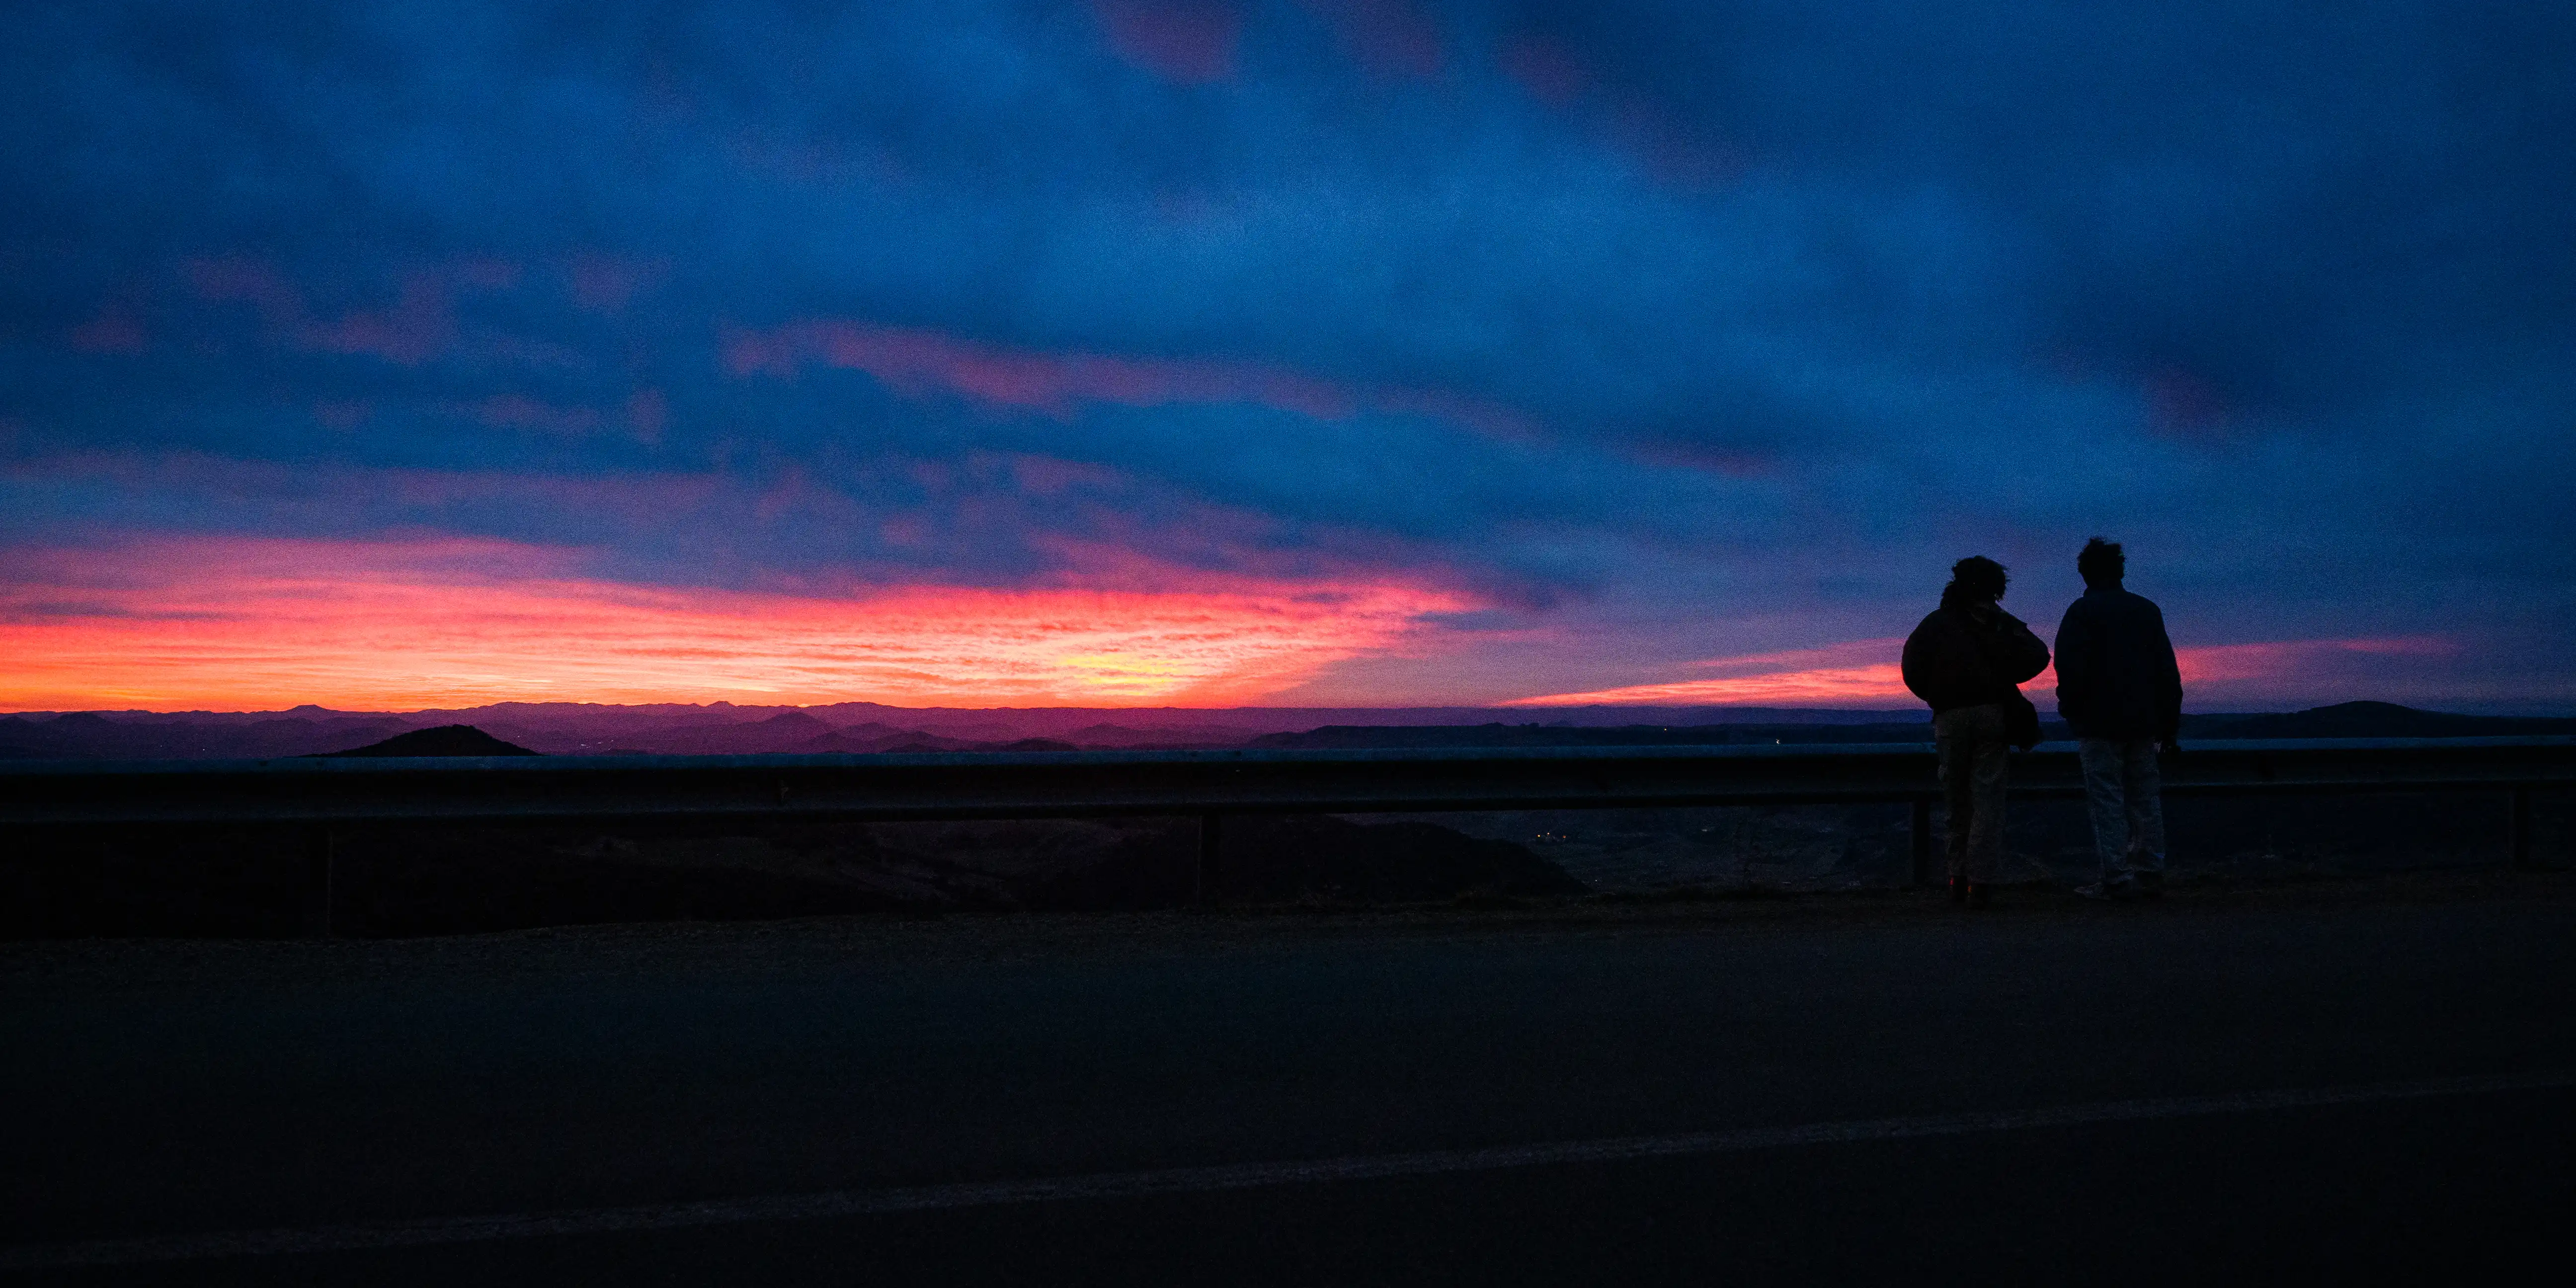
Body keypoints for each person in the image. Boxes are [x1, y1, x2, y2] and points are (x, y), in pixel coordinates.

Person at [1901, 556, 2051, 907]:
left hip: (1950, 717)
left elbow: (1911, 668)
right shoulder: (2000, 625)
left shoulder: (1936, 624)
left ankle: (1958, 878)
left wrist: (1937, 694)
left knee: (1955, 798)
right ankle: (1980, 884)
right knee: (1987, 800)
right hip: (1991, 714)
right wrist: (2003, 675)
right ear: (1995, 587)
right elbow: (2039, 655)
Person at [2053, 538, 2183, 900]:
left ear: (2085, 573)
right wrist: (2169, 722)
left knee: (2107, 801)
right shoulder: (2147, 611)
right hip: (2144, 723)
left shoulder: (2082, 613)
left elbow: (2068, 667)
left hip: (2098, 724)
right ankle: (2150, 872)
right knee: (2145, 798)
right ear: (2121, 570)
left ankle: (2116, 878)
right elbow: (2167, 671)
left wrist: (2072, 709)